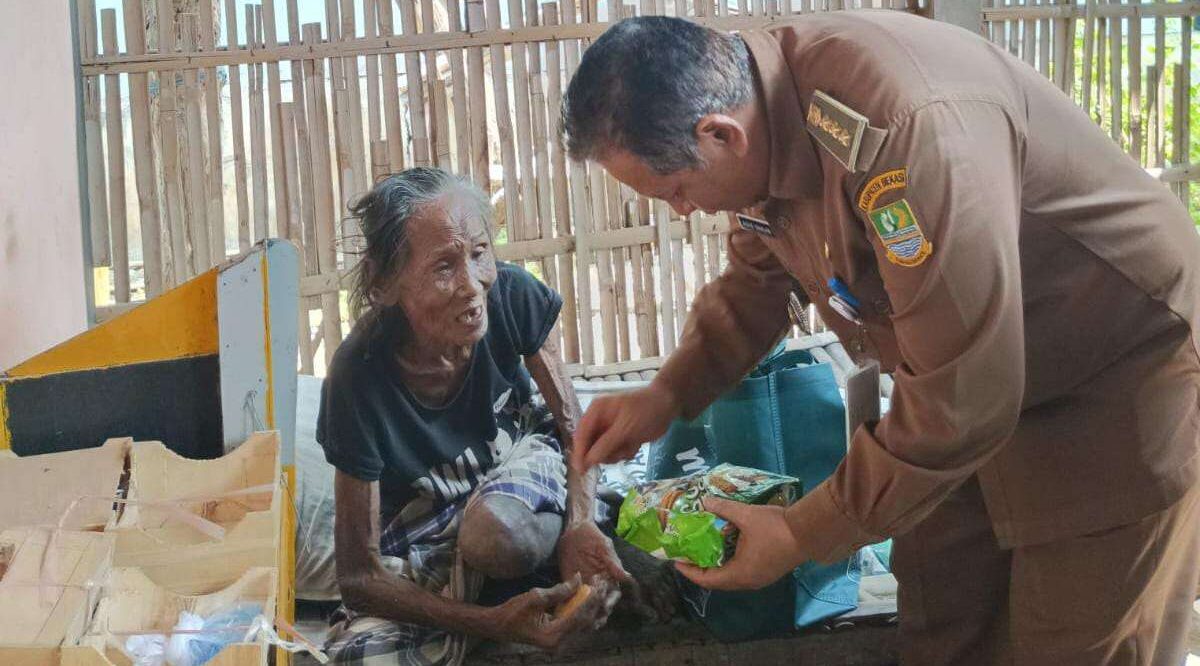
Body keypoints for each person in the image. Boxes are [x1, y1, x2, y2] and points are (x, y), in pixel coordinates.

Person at [562, 12, 1200, 665]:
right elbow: (758, 281)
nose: (682, 211)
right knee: (942, 603)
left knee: (1075, 638)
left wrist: (798, 533)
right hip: (970, 378)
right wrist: (665, 396)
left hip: (1110, 371)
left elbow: (965, 399)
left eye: (676, 190)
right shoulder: (759, 118)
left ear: (720, 135)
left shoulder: (901, 138)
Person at [316, 168, 627, 664]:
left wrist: (581, 523)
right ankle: (510, 600)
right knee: (356, 657)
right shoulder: (357, 377)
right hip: (430, 528)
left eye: (479, 253)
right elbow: (358, 576)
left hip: (521, 469)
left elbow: (573, 426)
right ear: (385, 285)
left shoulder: (510, 296)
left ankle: (550, 556)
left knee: (494, 535)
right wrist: (490, 622)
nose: (472, 286)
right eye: (443, 267)